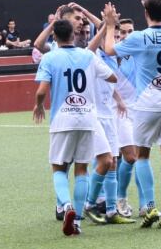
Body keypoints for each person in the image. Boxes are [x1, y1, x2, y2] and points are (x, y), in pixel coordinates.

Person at [103, 0, 161, 229]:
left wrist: (110, 25)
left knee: (143, 156)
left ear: (145, 14)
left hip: (146, 105)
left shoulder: (139, 37)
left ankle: (149, 207)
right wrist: (154, 7)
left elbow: (108, 49)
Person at [33, 19, 117, 236]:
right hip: (88, 119)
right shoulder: (88, 56)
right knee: (82, 169)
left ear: (55, 37)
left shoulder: (50, 57)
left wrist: (39, 106)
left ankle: (67, 206)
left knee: (58, 168)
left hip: (63, 119)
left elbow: (42, 90)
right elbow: (112, 76)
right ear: (73, 35)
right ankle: (77, 220)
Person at [83, 18, 136, 225]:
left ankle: (112, 210)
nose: (116, 39)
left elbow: (111, 84)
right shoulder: (94, 55)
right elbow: (90, 49)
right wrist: (107, 23)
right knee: (104, 161)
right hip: (95, 115)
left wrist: (119, 100)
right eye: (114, 35)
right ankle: (90, 204)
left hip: (111, 114)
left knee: (113, 162)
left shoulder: (114, 57)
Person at [113, 17, 140, 218]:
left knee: (136, 158)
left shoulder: (137, 53)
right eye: (123, 32)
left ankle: (145, 202)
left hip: (138, 110)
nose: (126, 36)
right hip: (117, 111)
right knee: (128, 157)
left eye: (130, 31)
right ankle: (119, 198)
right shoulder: (110, 55)